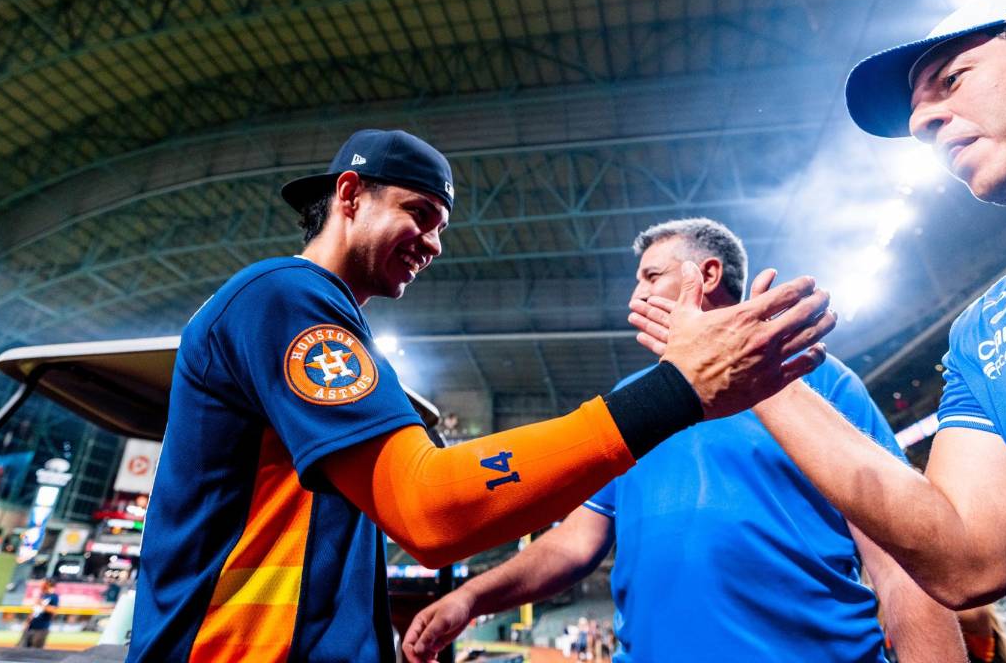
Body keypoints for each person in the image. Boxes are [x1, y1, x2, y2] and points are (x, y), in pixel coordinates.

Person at [127, 129, 837, 662]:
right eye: (418, 212)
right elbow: (431, 509)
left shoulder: (319, 324)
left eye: (442, 226)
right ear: (348, 194)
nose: (433, 242)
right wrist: (675, 389)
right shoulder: (283, 294)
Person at [628, 0, 1006, 630]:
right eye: (919, 111)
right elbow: (967, 557)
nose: (921, 123)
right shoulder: (988, 329)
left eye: (951, 79)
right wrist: (747, 373)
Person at [404, 219, 963, 663]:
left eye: (651, 276)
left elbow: (900, 557)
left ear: (708, 275)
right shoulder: (634, 400)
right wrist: (472, 596)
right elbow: (573, 544)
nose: (635, 293)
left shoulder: (814, 376)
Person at [18, 579, 58, 648]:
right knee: (21, 647)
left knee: (35, 651)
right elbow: (34, 611)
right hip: (31, 626)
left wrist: (41, 604)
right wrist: (27, 621)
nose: (41, 585)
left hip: (41, 628)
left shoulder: (54, 597)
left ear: (48, 584)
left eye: (43, 583)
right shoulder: (43, 595)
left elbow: (53, 611)